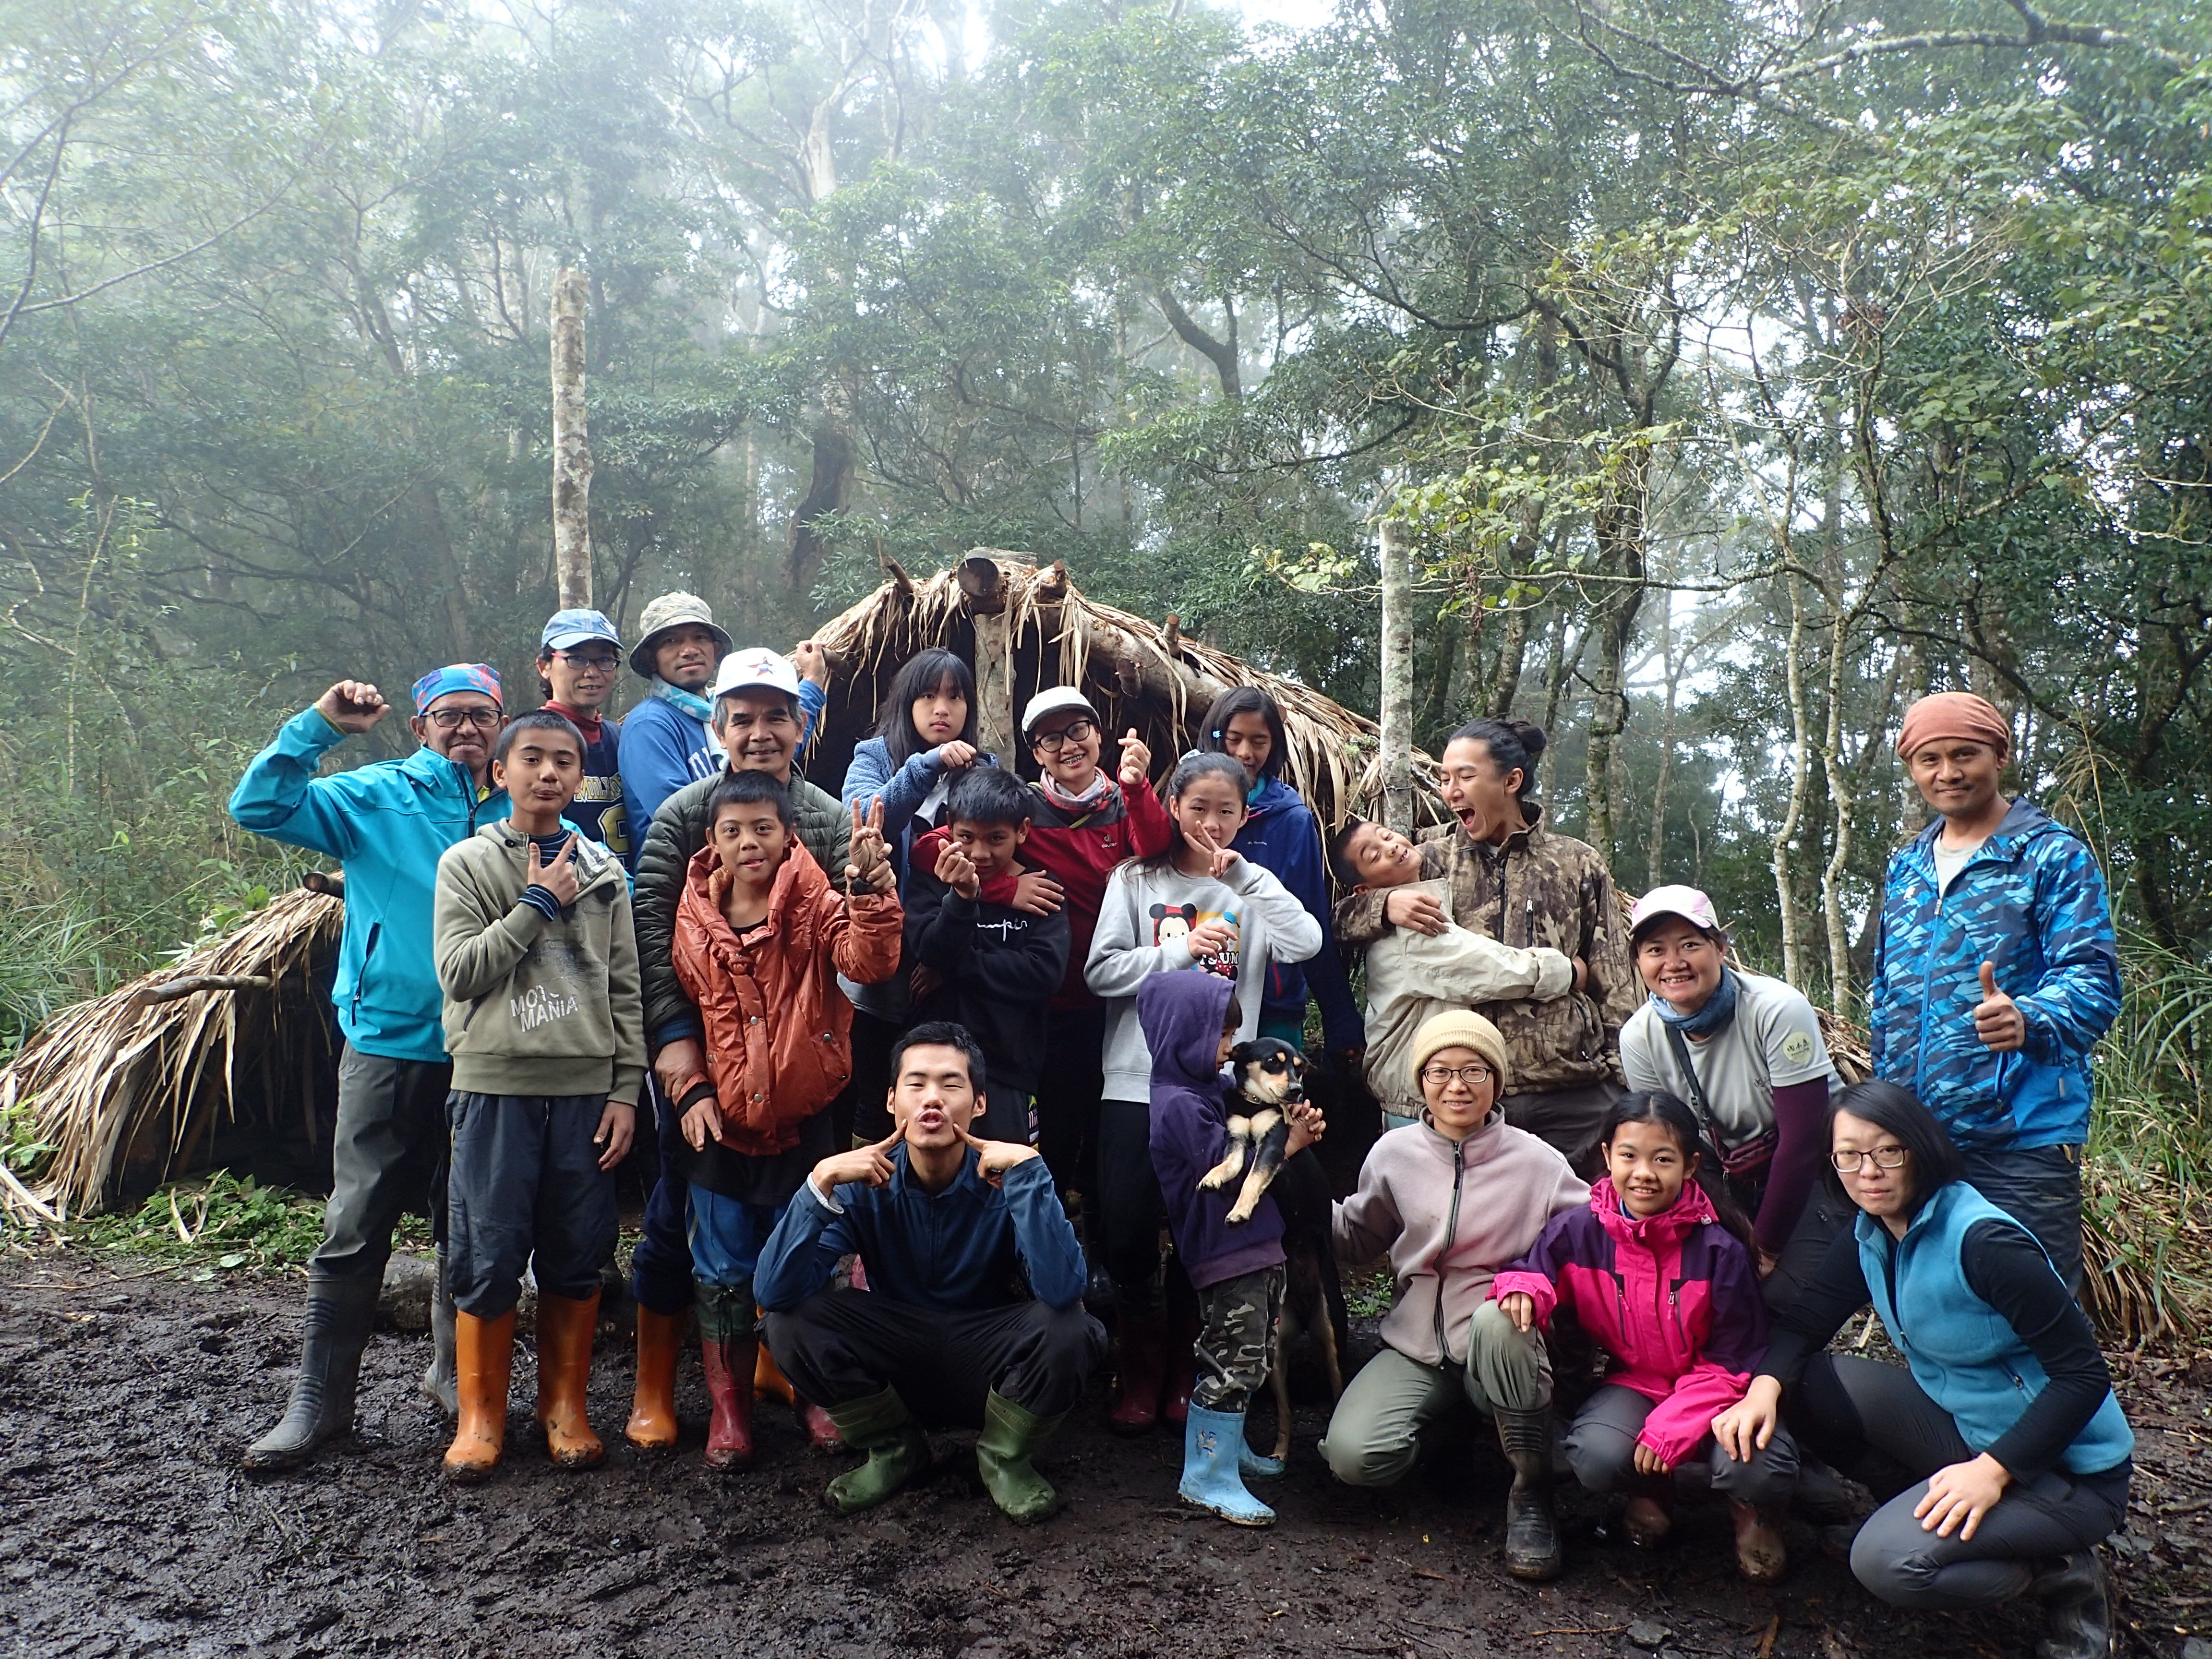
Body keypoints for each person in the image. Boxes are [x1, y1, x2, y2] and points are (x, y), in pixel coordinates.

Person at [1713, 1082, 2130, 1659]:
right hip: (1965, 1427)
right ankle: (1924, 1513)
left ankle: (2058, 1570)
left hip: (2065, 1471)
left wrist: (1994, 1472)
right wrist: (1762, 1391)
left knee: (1885, 1563)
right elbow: (1804, 1325)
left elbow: (2083, 1376)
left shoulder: (1984, 1242)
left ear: (1921, 1149)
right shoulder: (1873, 1232)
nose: (1869, 1172)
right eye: (1849, 1156)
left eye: (1888, 1151)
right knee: (1801, 1385)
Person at [228, 664, 508, 1471]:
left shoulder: (519, 805)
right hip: (388, 1038)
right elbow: (259, 806)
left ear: (501, 724)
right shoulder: (375, 796)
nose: (466, 729)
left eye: (482, 715)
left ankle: (456, 1379)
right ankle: (319, 1404)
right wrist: (318, 728)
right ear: (420, 727)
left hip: (491, 1049)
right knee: (356, 1221)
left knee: (469, 1219)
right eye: (449, 715)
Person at [625, 646, 856, 1453]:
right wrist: (675, 1048)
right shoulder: (683, 816)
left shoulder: (826, 819)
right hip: (707, 1066)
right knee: (690, 1224)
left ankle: (797, 1375)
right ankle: (683, 1394)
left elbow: (849, 946)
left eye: (776, 717)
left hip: (801, 1068)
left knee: (809, 1227)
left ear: (801, 725)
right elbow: (651, 934)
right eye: (744, 718)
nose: (761, 733)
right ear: (718, 727)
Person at [756, 1024, 1107, 1521]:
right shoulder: (863, 1184)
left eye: (951, 1084)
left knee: (1071, 1327)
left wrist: (1029, 1176)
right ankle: (894, 1449)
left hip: (986, 1359)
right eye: (917, 1084)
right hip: (894, 1358)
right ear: (892, 1100)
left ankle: (1004, 1458)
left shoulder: (1007, 1180)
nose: (933, 1099)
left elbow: (1063, 1290)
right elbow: (774, 1291)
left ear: (979, 1103)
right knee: (788, 1322)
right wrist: (820, 1182)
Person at [428, 712, 642, 1481]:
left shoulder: (605, 871)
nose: (548, 773)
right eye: (532, 759)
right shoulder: (466, 863)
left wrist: (626, 1090)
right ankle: (481, 1418)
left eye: (563, 762)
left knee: (578, 1253)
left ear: (580, 778)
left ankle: (565, 1410)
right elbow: (460, 973)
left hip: (585, 1092)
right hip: (495, 1088)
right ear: (501, 772)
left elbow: (624, 986)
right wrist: (536, 904)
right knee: (487, 1255)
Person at [1085, 751, 1322, 1435]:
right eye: (1198, 809)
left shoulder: (1254, 885)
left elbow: (1306, 942)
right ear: (1173, 807)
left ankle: (1191, 1369)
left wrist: (1245, 879)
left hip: (1223, 1088)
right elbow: (1101, 972)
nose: (1212, 824)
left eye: (1227, 811)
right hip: (1134, 1081)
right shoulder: (1135, 879)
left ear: (1245, 816)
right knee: (1128, 1227)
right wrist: (1181, 952)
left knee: (1209, 1223)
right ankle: (1139, 1367)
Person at [668, 770, 900, 1469]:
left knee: (812, 1261)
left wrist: (871, 889)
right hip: (720, 1125)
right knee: (721, 1270)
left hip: (806, 1124)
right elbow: (679, 1011)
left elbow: (871, 962)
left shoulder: (819, 902)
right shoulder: (690, 916)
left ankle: (813, 1391)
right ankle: (731, 1408)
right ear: (712, 840)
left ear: (789, 834)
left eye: (763, 828)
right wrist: (687, 1087)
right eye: (734, 831)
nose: (750, 843)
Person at [1319, 1011, 1586, 1581]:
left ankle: (1531, 1491)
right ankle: (1448, 1428)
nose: (1456, 1086)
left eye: (1473, 1071)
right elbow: (1358, 1239)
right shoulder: (1393, 1153)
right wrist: (1297, 1182)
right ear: (1421, 1081)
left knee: (1499, 1320)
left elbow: (1591, 1239)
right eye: (1440, 1071)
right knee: (1353, 1458)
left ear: (1497, 1080)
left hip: (1498, 1345)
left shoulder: (1537, 1162)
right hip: (1417, 1345)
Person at [1871, 692, 2121, 1294]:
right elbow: (1887, 993)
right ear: (1912, 768)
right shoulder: (1907, 867)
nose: (1948, 772)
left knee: (2038, 1309)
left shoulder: (2052, 855)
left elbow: (2095, 978)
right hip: (1919, 1136)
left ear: (1999, 757)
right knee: (1933, 1302)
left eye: (1965, 754)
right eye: (1930, 759)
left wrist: (2030, 1017)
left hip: (2021, 1137)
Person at [1492, 1091, 1796, 1581]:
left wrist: (1672, 1425)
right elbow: (1535, 1269)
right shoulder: (1581, 1230)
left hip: (1723, 1390)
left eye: (1663, 1160)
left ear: (1691, 1166)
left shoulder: (1718, 1248)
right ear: (1607, 1156)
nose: (1644, 1174)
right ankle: (1655, 1487)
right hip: (1637, 1382)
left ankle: (1752, 1509)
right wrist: (1524, 1288)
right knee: (1595, 1455)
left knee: (1757, 1467)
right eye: (1629, 1156)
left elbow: (1737, 1358)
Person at [1333, 717, 1637, 1177]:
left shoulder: (1576, 862)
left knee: (1584, 1217)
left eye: (1465, 776)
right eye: (1445, 779)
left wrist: (1626, 1086)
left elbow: (1615, 978)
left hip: (1572, 1089)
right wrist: (1383, 904)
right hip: (1470, 1095)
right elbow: (1338, 920)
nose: (1451, 791)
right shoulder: (1427, 858)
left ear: (1510, 781)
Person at [1140, 972, 1325, 1527]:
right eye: (1220, 1035)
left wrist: (1288, 1114)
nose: (1229, 1048)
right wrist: (1290, 1146)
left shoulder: (1210, 1089)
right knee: (1232, 1357)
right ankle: (1207, 1474)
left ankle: (1229, 1445)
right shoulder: (1179, 1104)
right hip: (1223, 1252)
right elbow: (1225, 1171)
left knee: (1251, 1351)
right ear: (1183, 1034)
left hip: (1254, 1245)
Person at [1618, 885, 1845, 1307]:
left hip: (1813, 1174)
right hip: (1725, 1181)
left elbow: (1803, 1142)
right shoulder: (1638, 1037)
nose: (1674, 963)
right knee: (1705, 1295)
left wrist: (1766, 1248)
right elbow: (1666, 1145)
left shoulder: (1777, 1010)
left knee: (1778, 1301)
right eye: (1655, 950)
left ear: (1720, 948)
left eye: (1690, 945)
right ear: (1638, 962)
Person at [1014, 688, 1170, 1212]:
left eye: (1078, 730)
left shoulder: (1124, 802)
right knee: (1057, 1123)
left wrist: (1138, 787)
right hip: (1054, 1001)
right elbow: (946, 845)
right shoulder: (1023, 809)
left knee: (1112, 1126)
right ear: (1036, 753)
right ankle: (1053, 1231)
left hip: (1121, 1001)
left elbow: (1157, 850)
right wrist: (1007, 888)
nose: (1068, 746)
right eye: (1051, 739)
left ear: (1099, 735)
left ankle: (1110, 1235)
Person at [839, 648, 998, 1141]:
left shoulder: (984, 768)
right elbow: (865, 819)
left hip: (953, 964)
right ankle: (872, 1183)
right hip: (881, 969)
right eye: (928, 696)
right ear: (907, 703)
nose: (942, 709)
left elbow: (997, 857)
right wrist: (925, 766)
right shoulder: (874, 756)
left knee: (948, 1099)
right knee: (876, 1100)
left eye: (955, 697)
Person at [1329, 817, 1577, 1130]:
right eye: (1374, 855)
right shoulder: (1413, 929)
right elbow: (1492, 968)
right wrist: (1566, 971)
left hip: (1421, 1091)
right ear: (1365, 890)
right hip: (1415, 1100)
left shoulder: (1423, 901)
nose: (1390, 848)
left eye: (1387, 836)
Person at [902, 768, 1071, 1147]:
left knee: (1006, 1174)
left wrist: (954, 968)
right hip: (934, 1066)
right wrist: (962, 899)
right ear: (949, 827)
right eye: (967, 838)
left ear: (1022, 831)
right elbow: (927, 948)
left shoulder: (1044, 890)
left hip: (1010, 1069)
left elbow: (1043, 973)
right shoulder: (934, 880)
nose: (980, 854)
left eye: (996, 838)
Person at [1197, 687, 1363, 1063]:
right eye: (1234, 739)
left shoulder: (1291, 819)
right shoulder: (1188, 806)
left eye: (1259, 742)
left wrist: (1340, 1019)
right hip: (1199, 993)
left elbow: (1310, 914)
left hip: (1273, 1002)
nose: (1245, 753)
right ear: (1215, 736)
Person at [535, 608, 630, 864]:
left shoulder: (622, 739)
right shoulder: (530, 740)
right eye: (577, 659)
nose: (592, 672)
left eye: (605, 660)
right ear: (545, 666)